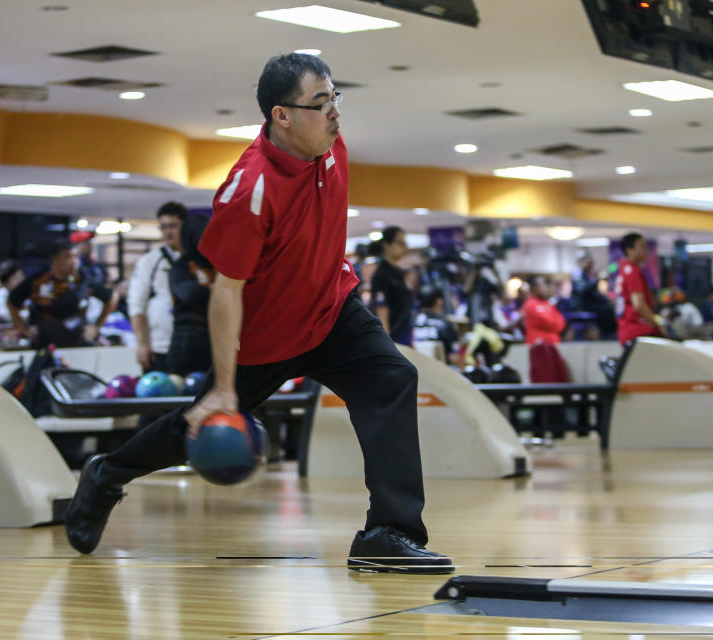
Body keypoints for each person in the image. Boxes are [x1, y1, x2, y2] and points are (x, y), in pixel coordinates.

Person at [64, 53, 453, 574]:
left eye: (336, 97)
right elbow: (226, 291)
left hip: (331, 310)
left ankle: (389, 532)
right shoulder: (250, 190)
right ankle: (107, 474)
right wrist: (226, 388)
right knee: (195, 425)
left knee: (392, 378)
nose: (335, 112)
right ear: (282, 115)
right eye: (320, 103)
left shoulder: (331, 145)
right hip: (264, 339)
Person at [7, 238, 115, 348]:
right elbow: (11, 302)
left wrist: (96, 326)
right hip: (45, 345)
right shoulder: (38, 281)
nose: (74, 261)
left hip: (79, 344)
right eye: (68, 257)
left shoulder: (84, 280)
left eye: (76, 256)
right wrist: (24, 328)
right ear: (55, 259)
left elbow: (111, 298)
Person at [127, 202, 184, 373]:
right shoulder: (150, 261)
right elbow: (136, 304)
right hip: (158, 347)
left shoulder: (200, 260)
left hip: (194, 346)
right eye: (164, 227)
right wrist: (142, 344)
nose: (168, 231)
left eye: (173, 225)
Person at [167, 212, 215, 376]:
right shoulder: (181, 266)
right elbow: (188, 293)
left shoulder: (219, 263)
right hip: (187, 343)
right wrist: (218, 290)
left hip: (217, 340)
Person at [614, 232, 664, 345]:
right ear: (630, 250)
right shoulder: (633, 272)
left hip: (626, 330)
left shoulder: (624, 270)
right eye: (642, 246)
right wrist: (657, 324)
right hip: (638, 331)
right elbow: (639, 304)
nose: (646, 250)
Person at [369, 226, 414, 346]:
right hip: (394, 340)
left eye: (405, 242)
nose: (404, 247)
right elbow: (381, 309)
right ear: (386, 245)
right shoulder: (381, 275)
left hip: (404, 336)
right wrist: (388, 343)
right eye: (400, 242)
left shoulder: (399, 273)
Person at [413, 289, 459, 364]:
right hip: (438, 370)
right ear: (439, 302)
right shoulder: (444, 325)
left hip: (415, 365)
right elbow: (455, 358)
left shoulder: (411, 321)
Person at [522, 275, 566, 345]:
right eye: (542, 285)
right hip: (538, 345)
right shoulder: (530, 304)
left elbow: (561, 322)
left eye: (545, 285)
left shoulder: (547, 303)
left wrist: (555, 324)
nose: (545, 288)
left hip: (552, 343)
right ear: (534, 288)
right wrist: (554, 323)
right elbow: (547, 322)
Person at [0, 259, 24, 328]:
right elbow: (10, 317)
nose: (21, 281)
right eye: (17, 277)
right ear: (8, 279)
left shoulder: (22, 296)